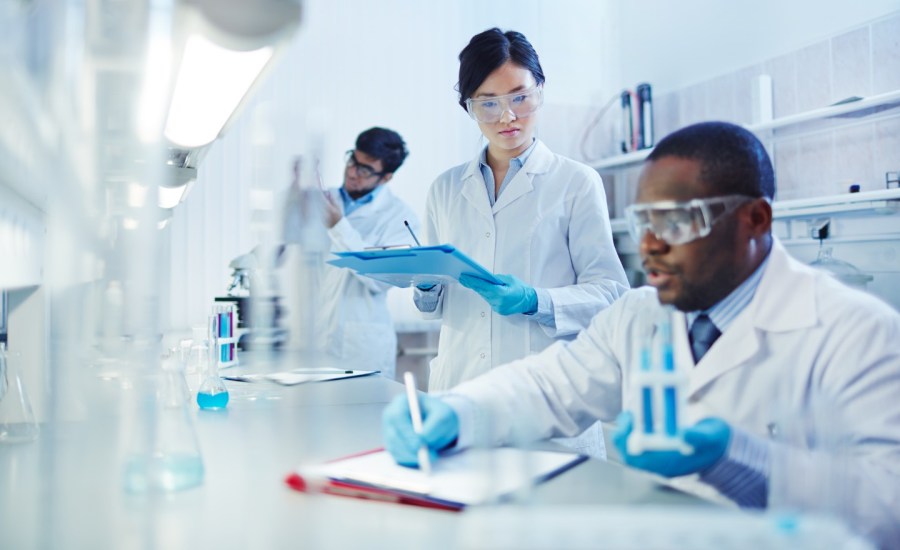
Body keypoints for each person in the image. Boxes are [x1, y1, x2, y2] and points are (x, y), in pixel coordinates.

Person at [384, 121, 900, 548]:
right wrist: (457, 412)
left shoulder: (857, 332)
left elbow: (889, 506)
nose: (649, 245)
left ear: (755, 219)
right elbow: (546, 386)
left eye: (674, 221)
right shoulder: (639, 314)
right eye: (642, 221)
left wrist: (742, 462)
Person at [414, 28, 628, 393]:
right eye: (489, 103)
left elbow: (611, 294)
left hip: (546, 390)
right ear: (469, 108)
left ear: (540, 91)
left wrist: (535, 300)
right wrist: (424, 286)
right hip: (460, 386)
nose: (507, 116)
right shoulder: (445, 188)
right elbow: (432, 308)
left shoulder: (576, 181)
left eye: (520, 97)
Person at [286, 127, 420, 379]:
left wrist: (338, 226)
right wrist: (296, 190)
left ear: (386, 177)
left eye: (365, 169)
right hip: (309, 340)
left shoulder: (400, 218)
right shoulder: (324, 200)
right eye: (352, 161)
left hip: (360, 349)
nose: (352, 172)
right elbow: (285, 238)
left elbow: (381, 280)